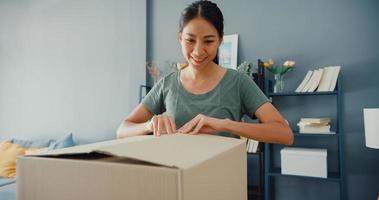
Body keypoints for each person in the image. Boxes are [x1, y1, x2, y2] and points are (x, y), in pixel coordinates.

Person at [117, 0, 293, 145]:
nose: (198, 51)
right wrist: (149, 125)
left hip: (221, 181)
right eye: (190, 40)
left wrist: (226, 125)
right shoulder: (167, 84)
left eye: (208, 41)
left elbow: (284, 133)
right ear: (180, 38)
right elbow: (122, 130)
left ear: (220, 41)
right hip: (176, 180)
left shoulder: (239, 82)